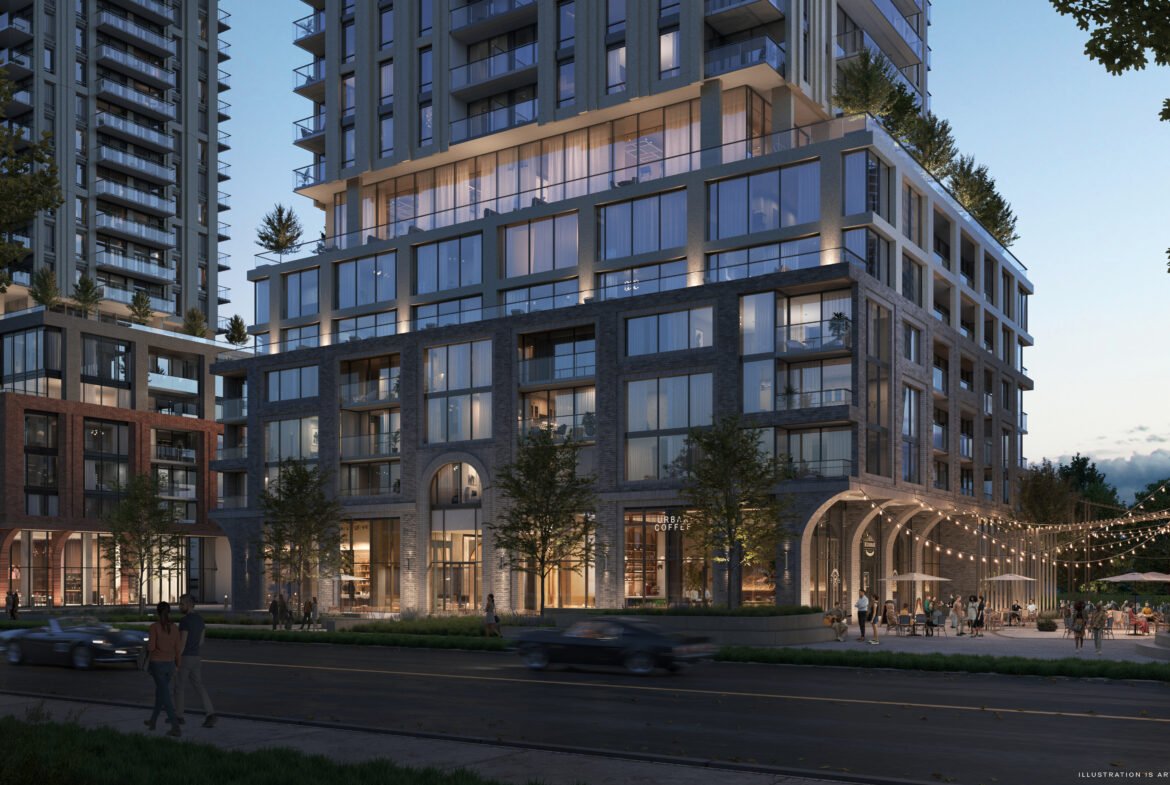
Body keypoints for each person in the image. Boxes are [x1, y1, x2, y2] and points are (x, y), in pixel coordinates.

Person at [174, 594, 216, 728]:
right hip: (196, 657)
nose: (179, 606)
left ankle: (179, 716)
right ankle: (210, 713)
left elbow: (182, 643)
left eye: (181, 604)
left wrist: (177, 659)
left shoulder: (185, 621)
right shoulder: (200, 619)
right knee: (199, 686)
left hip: (185, 658)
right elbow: (201, 641)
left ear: (189, 605)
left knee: (179, 687)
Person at [145, 601, 182, 737]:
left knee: (165, 696)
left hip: (158, 664)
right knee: (161, 693)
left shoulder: (154, 627)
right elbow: (178, 648)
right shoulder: (174, 627)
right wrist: (178, 665)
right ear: (169, 612)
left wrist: (146, 644)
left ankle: (175, 727)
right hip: (170, 664)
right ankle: (153, 721)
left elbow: (151, 647)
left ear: (157, 612)